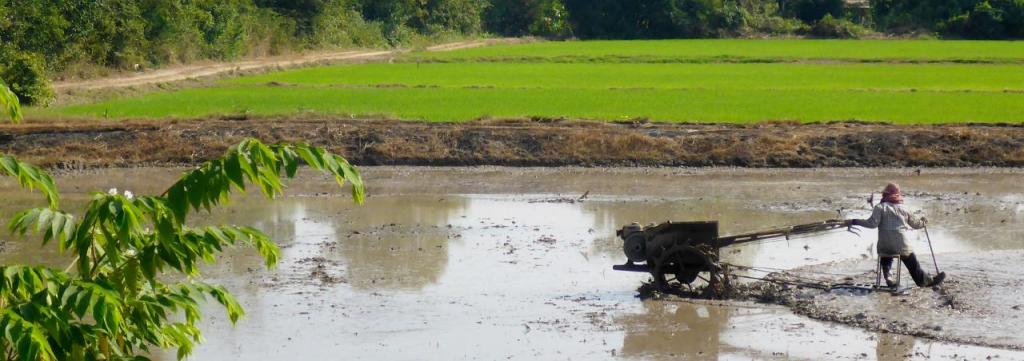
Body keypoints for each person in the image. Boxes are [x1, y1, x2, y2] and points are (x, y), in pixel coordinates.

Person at [845, 183, 945, 288]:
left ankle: (888, 276)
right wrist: (923, 222)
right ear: (897, 195)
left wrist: (854, 221)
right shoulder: (905, 208)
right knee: (911, 261)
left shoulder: (879, 207)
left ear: (885, 195)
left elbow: (871, 224)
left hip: (884, 244)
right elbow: (916, 225)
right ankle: (925, 281)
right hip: (902, 245)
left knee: (886, 255)